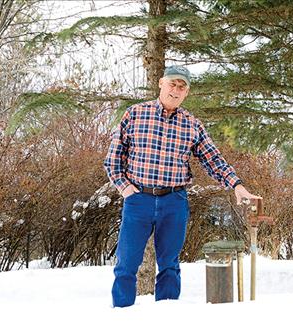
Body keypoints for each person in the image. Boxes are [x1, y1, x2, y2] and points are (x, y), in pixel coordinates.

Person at [104, 65, 261, 307]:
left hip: (174, 201)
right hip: (138, 200)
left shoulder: (192, 124)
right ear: (160, 83)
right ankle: (122, 314)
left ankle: (167, 315)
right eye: (172, 84)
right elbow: (113, 159)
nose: (175, 90)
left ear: (186, 92)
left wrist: (237, 185)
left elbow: (213, 160)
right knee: (126, 265)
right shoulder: (134, 114)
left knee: (169, 265)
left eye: (182, 87)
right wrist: (125, 188)